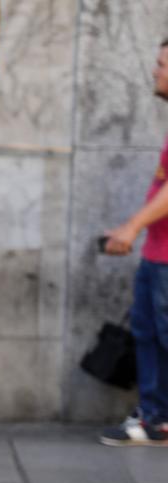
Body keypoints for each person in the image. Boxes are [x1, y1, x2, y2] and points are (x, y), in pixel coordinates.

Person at [100, 39, 168, 447]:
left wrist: (131, 227)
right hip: (157, 255)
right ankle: (155, 416)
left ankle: (157, 416)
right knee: (149, 334)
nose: (154, 71)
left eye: (162, 64)